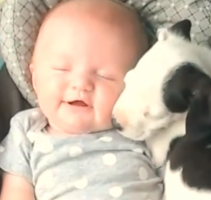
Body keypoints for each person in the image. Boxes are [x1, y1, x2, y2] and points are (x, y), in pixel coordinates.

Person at [0, 0, 163, 199]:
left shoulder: (144, 127)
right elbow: (15, 192)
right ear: (35, 78)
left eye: (105, 76)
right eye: (62, 69)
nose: (81, 84)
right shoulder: (27, 130)